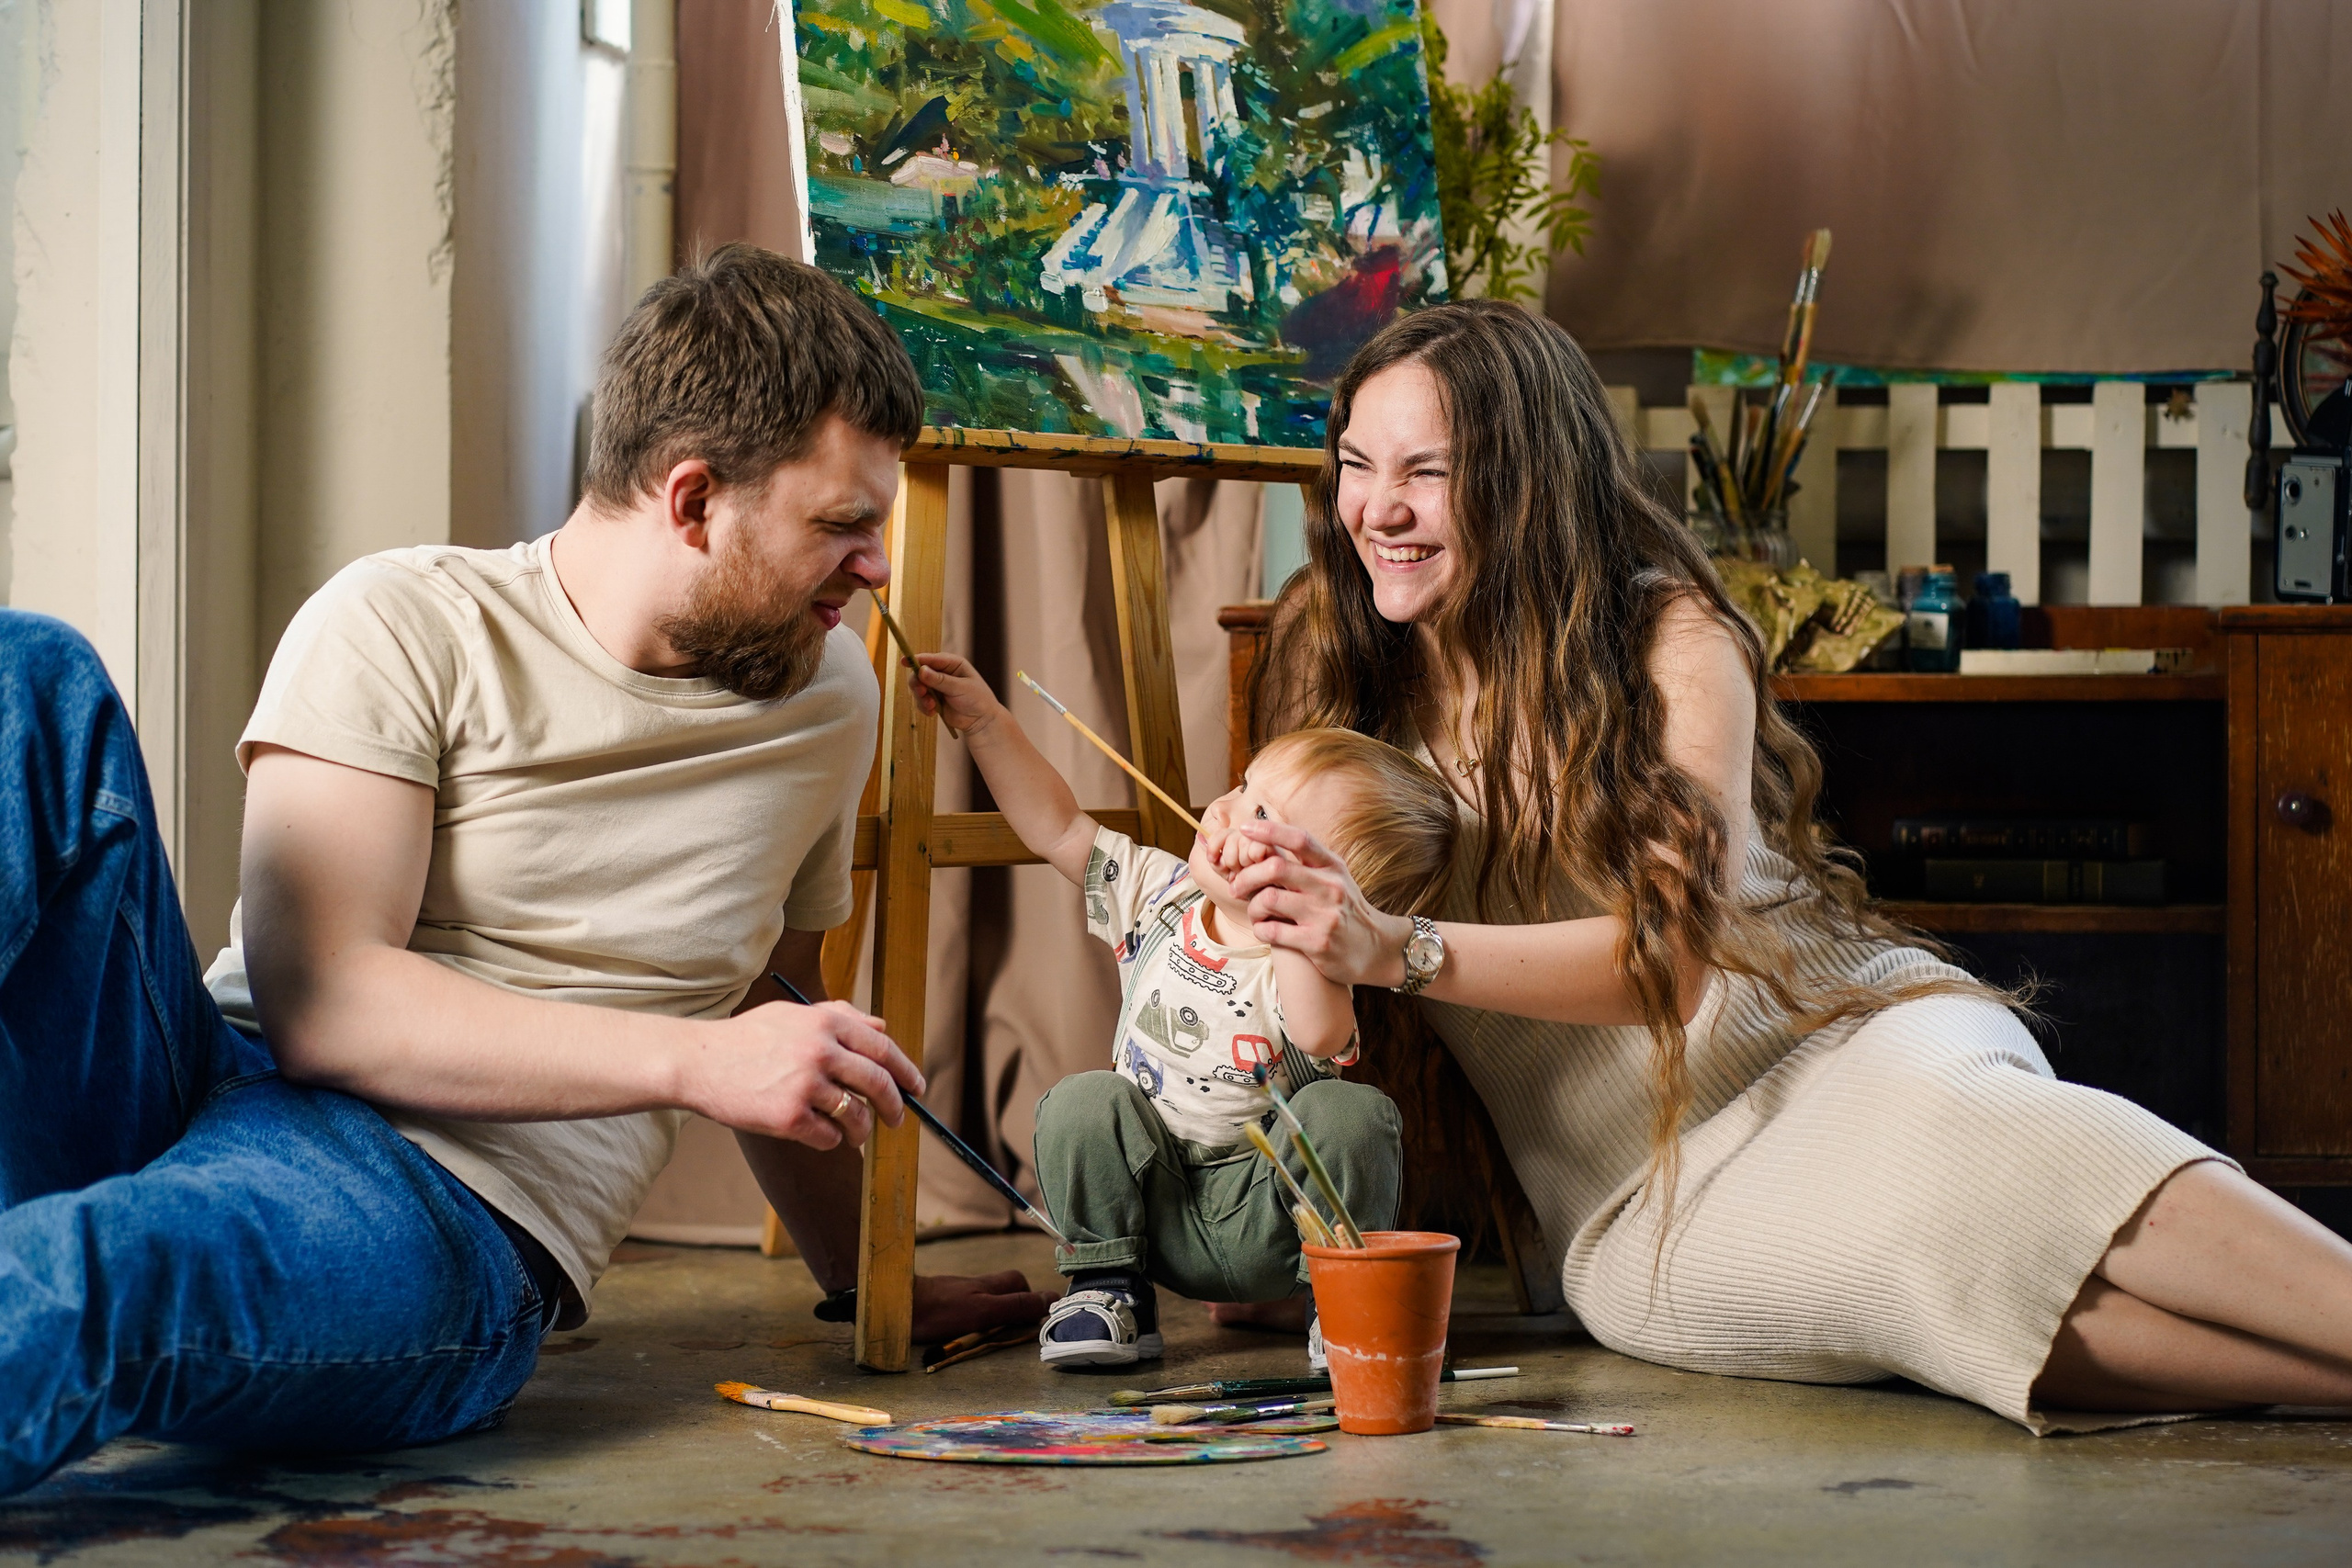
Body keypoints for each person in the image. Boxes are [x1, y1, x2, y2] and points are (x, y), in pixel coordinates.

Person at [0, 244, 1045, 1497]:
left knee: (108, 1268)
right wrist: (693, 1059)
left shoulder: (831, 699)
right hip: (203, 1078)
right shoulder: (403, 618)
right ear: (696, 499)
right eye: (843, 525)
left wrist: (864, 1276)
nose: (877, 569)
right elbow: (324, 1005)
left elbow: (778, 999)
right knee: (33, 680)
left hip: (445, 1202)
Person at [1220, 298, 2352, 1433]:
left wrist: (1391, 945)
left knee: (1970, 1143)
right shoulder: (1335, 654)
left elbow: (1670, 967)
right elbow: (1256, 975)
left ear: (1528, 481)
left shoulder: (1671, 640)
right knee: (1917, 1277)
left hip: (1835, 1037)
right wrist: (1313, 1224)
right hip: (1631, 1198)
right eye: (1357, 464)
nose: (1378, 509)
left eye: (1430, 471)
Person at [908, 653, 1445, 1368]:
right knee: (1082, 1100)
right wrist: (985, 724)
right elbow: (1058, 828)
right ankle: (1109, 1290)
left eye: (1262, 817)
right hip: (1152, 1203)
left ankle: (1342, 1301)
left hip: (1270, 1215)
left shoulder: (1314, 962)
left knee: (1353, 1115)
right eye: (1243, 785)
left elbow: (1320, 1033)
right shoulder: (1159, 894)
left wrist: (1297, 921)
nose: (1222, 808)